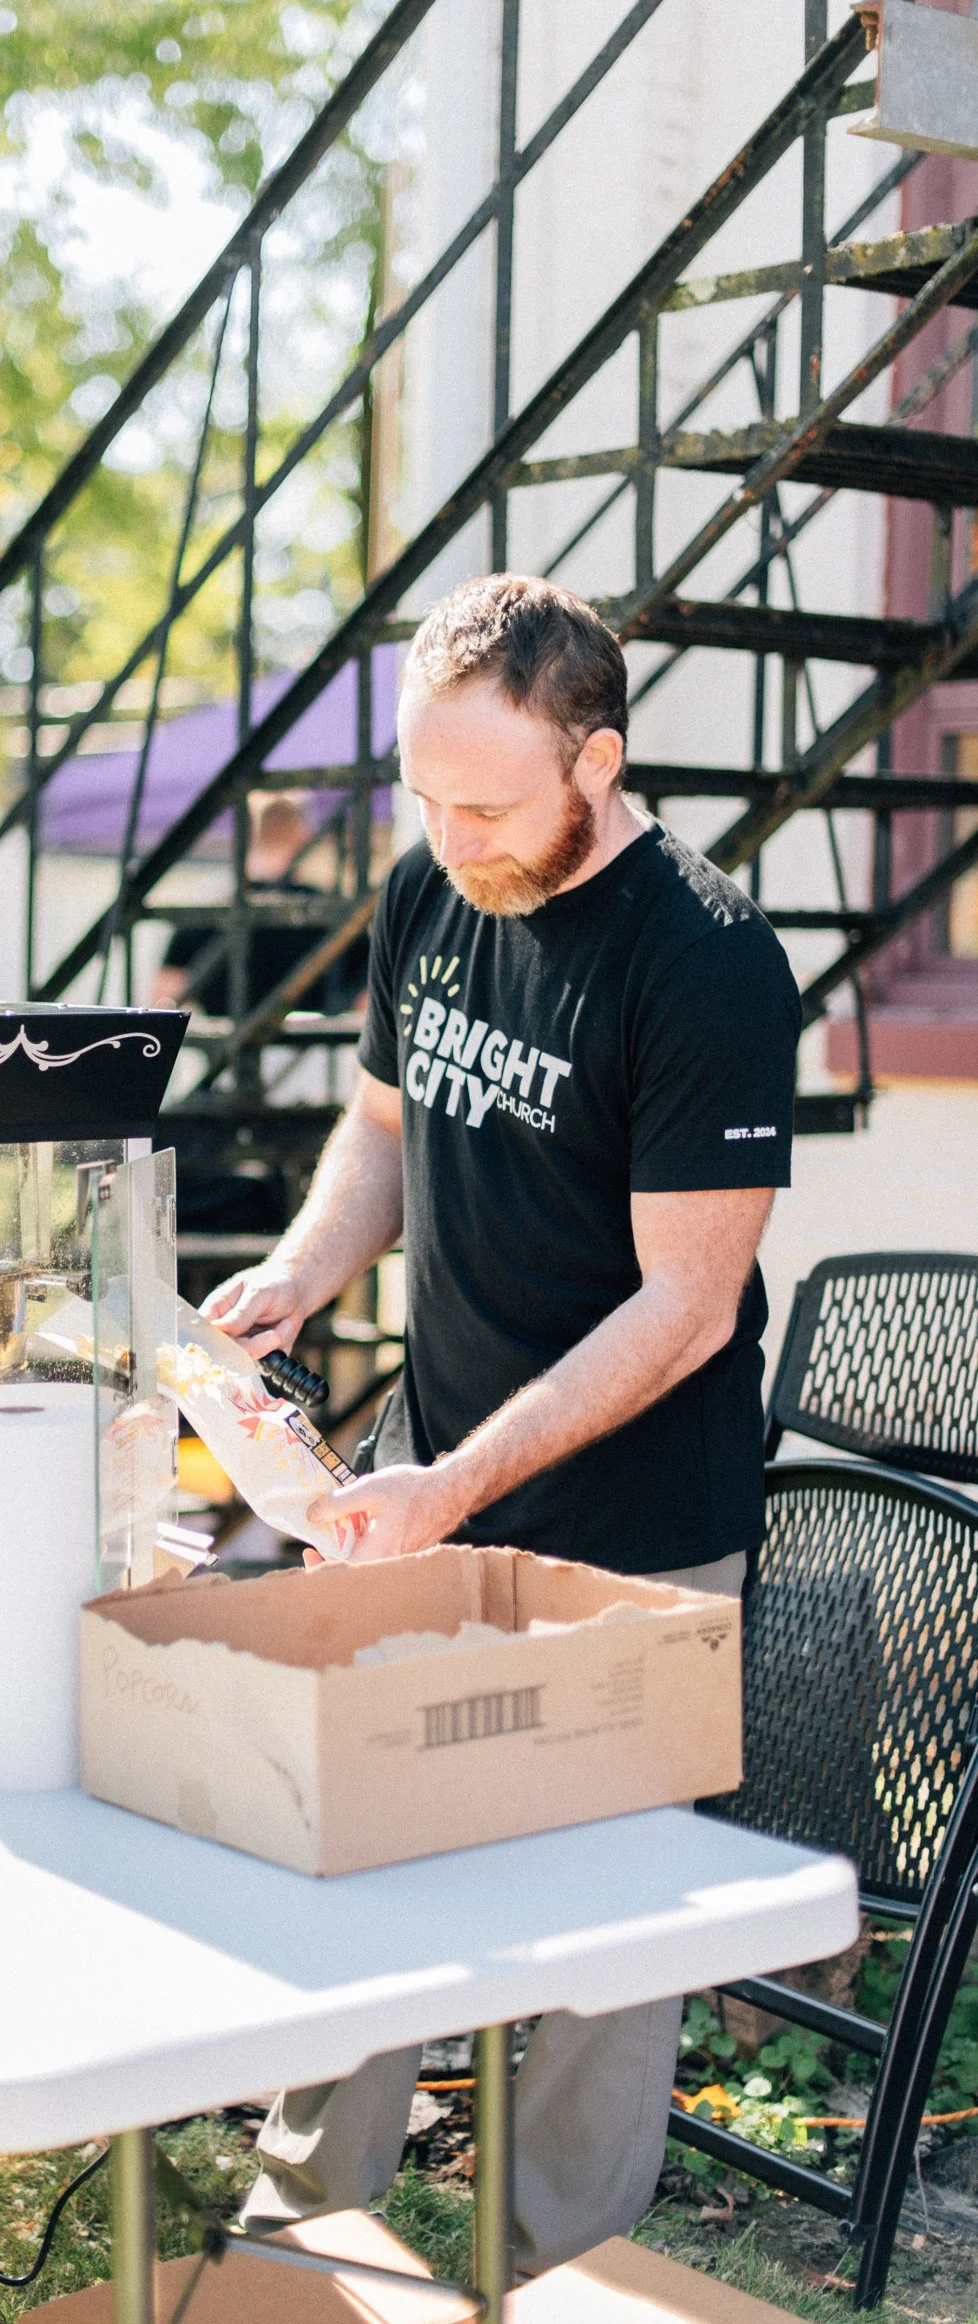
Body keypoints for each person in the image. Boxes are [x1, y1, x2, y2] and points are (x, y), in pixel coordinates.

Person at [203, 575, 800, 2276]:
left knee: (612, 1947)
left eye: (485, 803)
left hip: (639, 1528)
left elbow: (681, 1309)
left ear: (595, 764)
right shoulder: (428, 887)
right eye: (421, 792)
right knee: (363, 1852)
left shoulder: (705, 961)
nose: (447, 835)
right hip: (440, 1477)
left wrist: (455, 1479)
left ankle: (547, 2274)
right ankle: (299, 2240)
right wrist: (299, 1277)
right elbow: (384, 1128)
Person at [150, 791, 367, 1017]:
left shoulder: (207, 914)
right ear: (304, 835)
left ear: (246, 837)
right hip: (312, 1044)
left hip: (227, 1048)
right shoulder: (334, 913)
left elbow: (163, 1004)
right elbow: (368, 1003)